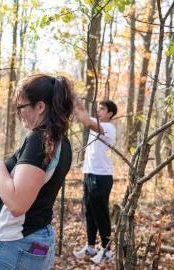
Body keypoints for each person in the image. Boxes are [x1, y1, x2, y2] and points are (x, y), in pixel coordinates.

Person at [0, 74, 74, 270]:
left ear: (40, 107)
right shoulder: (59, 140)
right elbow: (27, 176)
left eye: (21, 107)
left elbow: (17, 204)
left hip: (16, 245)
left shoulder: (38, 140)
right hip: (37, 238)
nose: (18, 113)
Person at [72, 95, 117, 264]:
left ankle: (107, 251)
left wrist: (71, 92)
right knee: (89, 212)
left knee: (101, 214)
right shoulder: (95, 123)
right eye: (97, 108)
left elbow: (85, 119)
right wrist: (73, 99)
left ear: (110, 114)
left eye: (102, 109)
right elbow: (82, 115)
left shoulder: (108, 128)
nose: (98, 110)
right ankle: (91, 247)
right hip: (89, 174)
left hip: (102, 176)